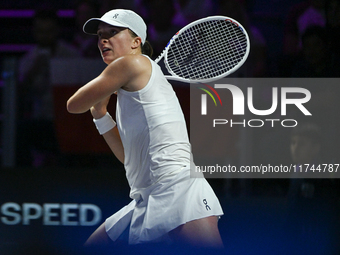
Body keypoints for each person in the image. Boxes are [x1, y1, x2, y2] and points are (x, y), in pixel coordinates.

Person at [67, 9, 224, 249]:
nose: (103, 40)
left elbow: (73, 105)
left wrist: (99, 97)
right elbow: (127, 158)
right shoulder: (136, 79)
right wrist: (100, 115)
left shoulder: (133, 63)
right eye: (100, 35)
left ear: (136, 42)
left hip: (177, 189)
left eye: (113, 32)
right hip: (145, 195)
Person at [17, 8, 80, 167]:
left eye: (49, 31)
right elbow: (19, 94)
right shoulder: (28, 60)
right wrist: (32, 73)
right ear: (34, 32)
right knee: (21, 131)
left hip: (68, 119)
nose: (45, 36)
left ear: (57, 30)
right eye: (41, 31)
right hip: (41, 120)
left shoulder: (72, 56)